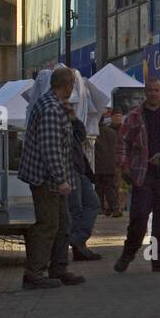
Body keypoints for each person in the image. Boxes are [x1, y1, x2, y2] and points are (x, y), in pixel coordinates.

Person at [17, 67, 86, 289]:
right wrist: (61, 179)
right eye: (72, 84)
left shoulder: (56, 106)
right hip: (47, 180)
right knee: (48, 225)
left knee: (62, 223)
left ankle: (58, 267)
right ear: (67, 85)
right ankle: (34, 273)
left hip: (52, 179)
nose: (73, 88)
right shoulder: (50, 109)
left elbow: (70, 139)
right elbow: (50, 148)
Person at [114, 78, 160, 273]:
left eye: (156, 90)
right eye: (149, 90)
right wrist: (123, 165)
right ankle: (128, 253)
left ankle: (158, 259)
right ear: (145, 92)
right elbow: (122, 141)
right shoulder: (134, 116)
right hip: (142, 175)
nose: (152, 94)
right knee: (139, 218)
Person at [63, 98, 101, 262]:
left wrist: (74, 118)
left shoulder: (69, 120)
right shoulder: (53, 116)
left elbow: (81, 135)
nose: (69, 106)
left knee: (92, 203)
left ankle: (79, 239)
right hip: (69, 168)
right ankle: (79, 245)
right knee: (76, 208)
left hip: (79, 168)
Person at [95, 108, 123, 217]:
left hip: (98, 164)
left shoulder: (94, 132)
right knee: (111, 187)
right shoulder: (111, 132)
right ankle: (115, 207)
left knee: (99, 188)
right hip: (111, 164)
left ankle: (101, 207)